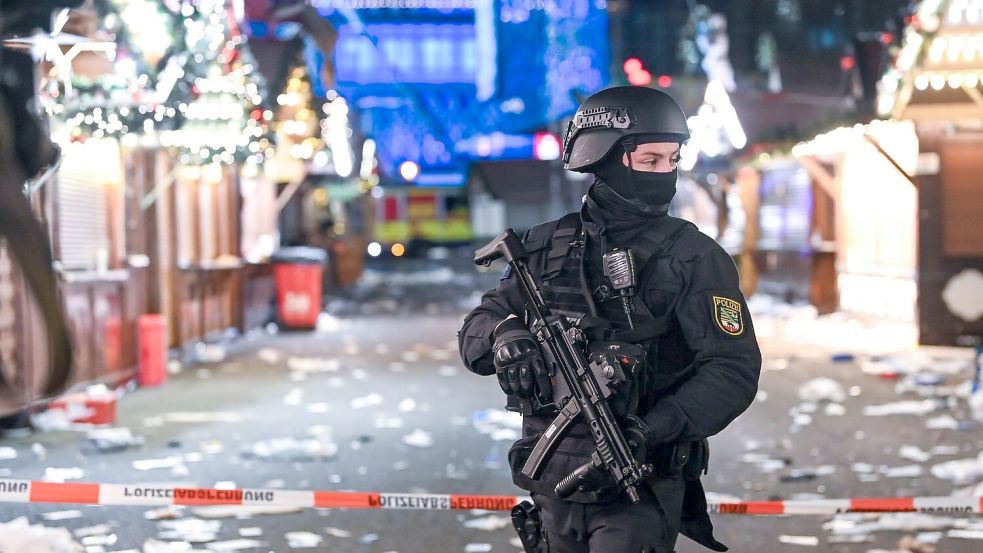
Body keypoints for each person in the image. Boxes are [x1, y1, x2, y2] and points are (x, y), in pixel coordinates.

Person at [458, 86, 761, 553]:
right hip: (552, 480)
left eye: (672, 160)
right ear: (605, 158)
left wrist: (652, 429)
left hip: (640, 479)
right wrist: (504, 334)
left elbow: (732, 369)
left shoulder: (694, 257)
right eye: (650, 160)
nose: (666, 174)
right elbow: (477, 328)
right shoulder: (543, 248)